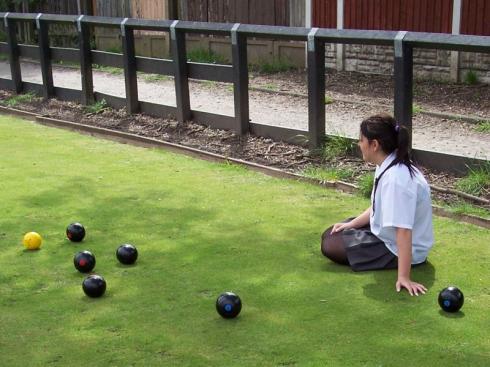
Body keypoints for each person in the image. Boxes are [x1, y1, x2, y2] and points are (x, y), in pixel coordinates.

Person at [321, 113, 434, 296]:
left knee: (330, 246)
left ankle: (401, 266)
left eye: (361, 140)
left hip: (398, 248)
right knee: (330, 233)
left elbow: (404, 230)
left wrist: (404, 277)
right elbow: (377, 206)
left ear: (374, 145)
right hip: (385, 233)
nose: (359, 144)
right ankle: (353, 233)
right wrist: (351, 224)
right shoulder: (386, 163)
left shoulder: (397, 179)